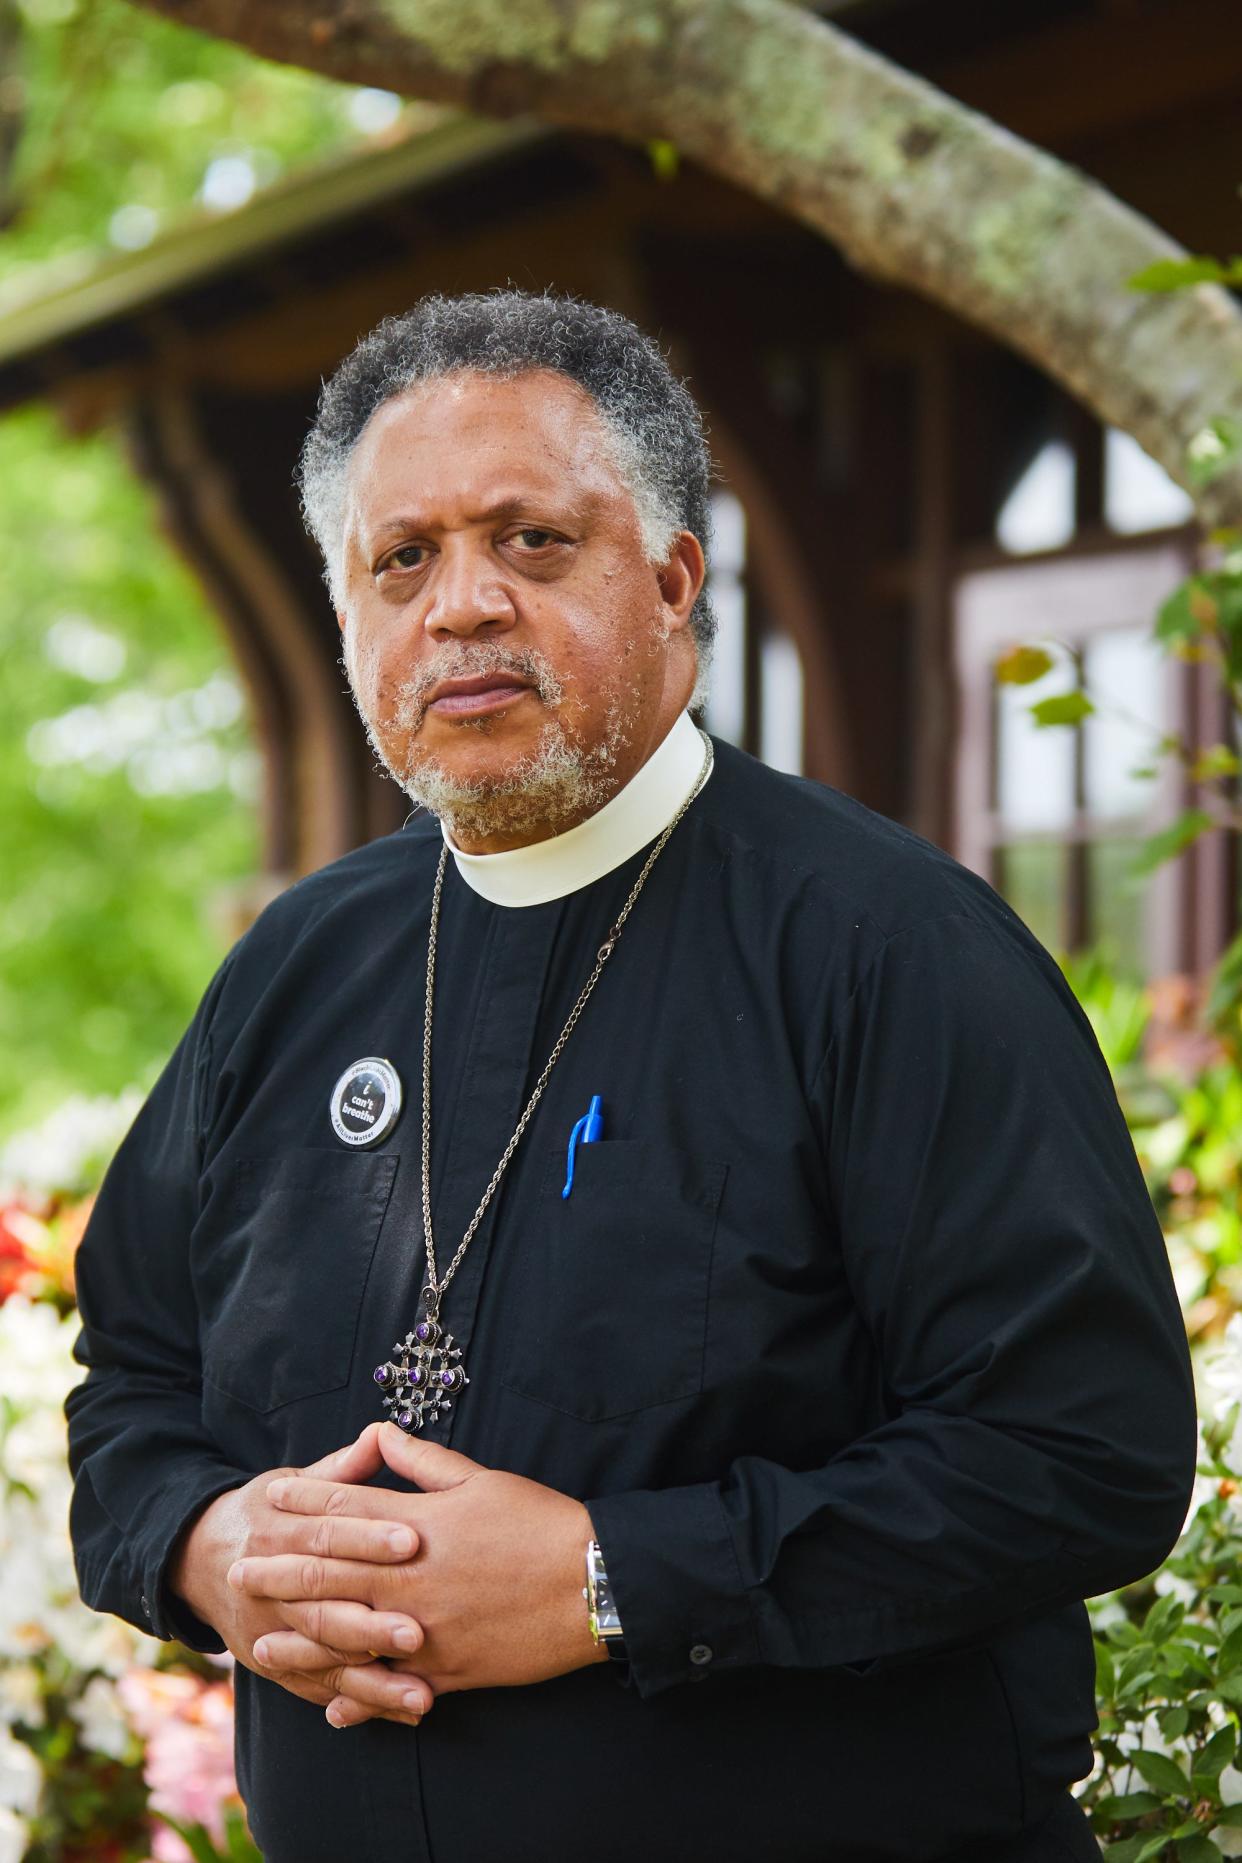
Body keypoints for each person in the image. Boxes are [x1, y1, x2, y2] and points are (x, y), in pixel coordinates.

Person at [65, 289, 1196, 1863]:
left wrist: (615, 1580)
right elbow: (131, 1378)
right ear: (347, 614)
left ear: (672, 581)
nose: (460, 605)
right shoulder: (296, 964)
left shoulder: (889, 949)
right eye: (403, 559)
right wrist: (205, 1545)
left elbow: (1080, 1454)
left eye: (530, 541)